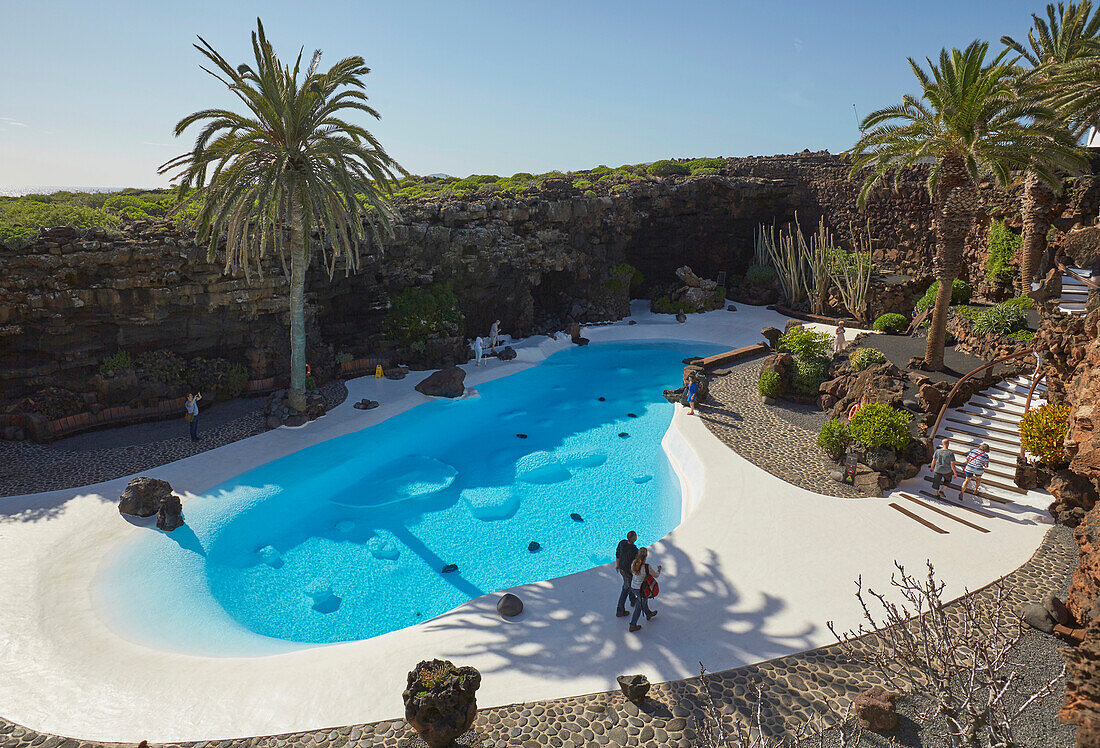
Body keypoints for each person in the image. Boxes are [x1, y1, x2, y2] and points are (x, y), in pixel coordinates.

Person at [628, 547, 661, 632]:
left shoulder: (633, 563)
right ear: (646, 556)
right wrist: (659, 570)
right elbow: (656, 575)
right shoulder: (647, 567)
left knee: (643, 601)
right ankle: (633, 624)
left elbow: (633, 572)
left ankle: (648, 613)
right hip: (642, 589)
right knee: (639, 606)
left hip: (633, 587)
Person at [614, 531, 639, 617]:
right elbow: (635, 563)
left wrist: (617, 565)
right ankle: (620, 610)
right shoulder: (634, 550)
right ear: (634, 539)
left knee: (629, 584)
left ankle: (632, 599)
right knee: (625, 589)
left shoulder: (622, 543)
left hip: (621, 569)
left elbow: (617, 554)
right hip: (628, 571)